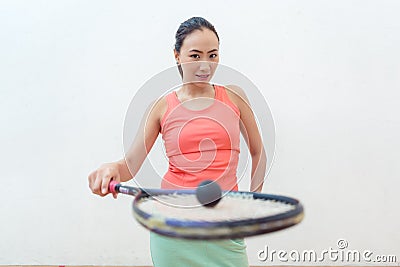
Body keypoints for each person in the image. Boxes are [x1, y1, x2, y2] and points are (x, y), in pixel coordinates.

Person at [88, 17, 266, 267]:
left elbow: (258, 152)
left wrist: (252, 203)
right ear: (176, 55)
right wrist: (111, 169)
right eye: (195, 56)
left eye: (213, 55)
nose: (205, 65)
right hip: (173, 225)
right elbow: (129, 165)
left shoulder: (235, 96)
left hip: (224, 222)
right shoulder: (160, 107)